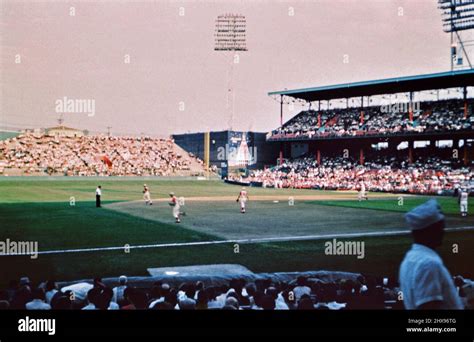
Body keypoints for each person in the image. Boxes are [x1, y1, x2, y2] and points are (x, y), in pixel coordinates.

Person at [399, 199, 463, 310]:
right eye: (439, 228)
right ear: (430, 231)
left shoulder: (410, 258)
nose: (443, 231)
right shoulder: (428, 263)